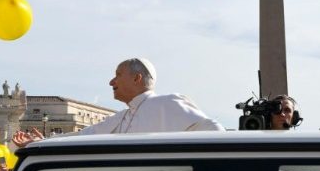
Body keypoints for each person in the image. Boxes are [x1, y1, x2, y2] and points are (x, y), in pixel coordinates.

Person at [13, 58, 222, 146]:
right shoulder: (121, 118)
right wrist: (42, 143)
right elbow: (84, 137)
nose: (111, 81)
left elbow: (214, 131)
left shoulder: (168, 104)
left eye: (117, 75)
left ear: (136, 78)